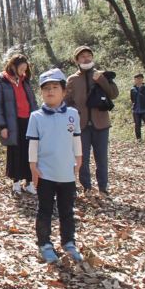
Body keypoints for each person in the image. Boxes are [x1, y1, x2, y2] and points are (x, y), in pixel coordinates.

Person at [27, 68, 83, 264]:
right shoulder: (36, 117)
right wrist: (33, 167)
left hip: (66, 172)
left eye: (54, 87)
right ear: (41, 92)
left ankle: (69, 241)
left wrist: (79, 159)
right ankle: (44, 243)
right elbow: (33, 144)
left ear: (63, 91)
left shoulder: (73, 114)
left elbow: (76, 139)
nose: (50, 91)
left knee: (67, 209)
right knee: (45, 209)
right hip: (45, 172)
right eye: (46, 88)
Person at [65, 46, 118, 197]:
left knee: (102, 157)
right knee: (82, 158)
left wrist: (101, 80)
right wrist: (75, 113)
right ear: (77, 60)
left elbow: (114, 94)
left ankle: (103, 188)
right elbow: (66, 101)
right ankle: (86, 187)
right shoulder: (72, 79)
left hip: (101, 123)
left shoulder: (101, 74)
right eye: (82, 56)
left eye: (89, 55)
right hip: (81, 125)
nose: (86, 58)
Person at [0, 53, 38, 195]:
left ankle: (30, 182)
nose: (23, 71)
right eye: (21, 68)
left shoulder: (26, 81)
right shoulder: (1, 83)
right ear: (13, 66)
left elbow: (33, 102)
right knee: (15, 153)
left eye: (25, 68)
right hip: (12, 123)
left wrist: (38, 120)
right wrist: (2, 126)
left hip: (28, 121)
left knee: (30, 152)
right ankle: (16, 183)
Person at [130, 73, 145, 142]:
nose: (138, 80)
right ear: (134, 80)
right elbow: (132, 99)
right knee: (137, 125)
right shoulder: (133, 89)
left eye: (139, 79)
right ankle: (138, 138)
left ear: (142, 79)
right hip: (136, 110)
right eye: (136, 79)